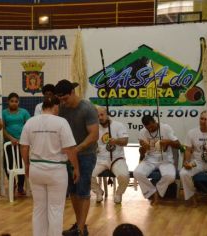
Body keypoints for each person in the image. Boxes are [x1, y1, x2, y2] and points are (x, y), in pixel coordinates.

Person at [20, 96, 80, 236]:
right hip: (56, 170)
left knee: (39, 208)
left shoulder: (30, 122)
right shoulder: (61, 122)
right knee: (55, 209)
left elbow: (23, 146)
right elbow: (69, 149)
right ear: (55, 106)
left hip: (36, 169)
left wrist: (26, 165)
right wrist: (75, 167)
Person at [54, 79, 99, 236]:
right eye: (60, 99)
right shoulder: (61, 108)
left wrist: (77, 149)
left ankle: (80, 229)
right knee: (73, 190)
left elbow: (94, 135)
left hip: (86, 155)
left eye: (65, 98)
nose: (63, 102)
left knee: (83, 190)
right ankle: (80, 225)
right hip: (69, 156)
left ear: (72, 92)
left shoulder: (87, 108)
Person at [133, 115, 181, 205]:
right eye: (148, 128)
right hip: (150, 159)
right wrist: (143, 148)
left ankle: (157, 191)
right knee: (137, 173)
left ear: (155, 122)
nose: (150, 129)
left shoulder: (166, 128)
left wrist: (168, 142)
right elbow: (142, 154)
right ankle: (152, 192)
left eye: (152, 126)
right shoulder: (142, 132)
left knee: (170, 176)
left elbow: (178, 145)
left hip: (165, 159)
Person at [91, 106, 129, 204]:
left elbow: (125, 141)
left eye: (102, 115)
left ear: (107, 114)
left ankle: (118, 193)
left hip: (117, 158)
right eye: (97, 116)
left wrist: (115, 141)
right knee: (86, 175)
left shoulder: (118, 125)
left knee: (124, 176)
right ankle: (98, 192)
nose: (100, 117)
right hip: (100, 159)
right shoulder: (94, 128)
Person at [2, 92, 30, 195]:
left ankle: (21, 187)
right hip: (8, 143)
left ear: (19, 102)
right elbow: (3, 129)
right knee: (7, 164)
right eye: (12, 101)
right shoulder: (4, 113)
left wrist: (22, 139)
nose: (14, 103)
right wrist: (11, 138)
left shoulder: (24, 112)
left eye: (16, 101)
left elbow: (29, 126)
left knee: (21, 164)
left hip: (22, 143)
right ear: (8, 102)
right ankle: (12, 183)